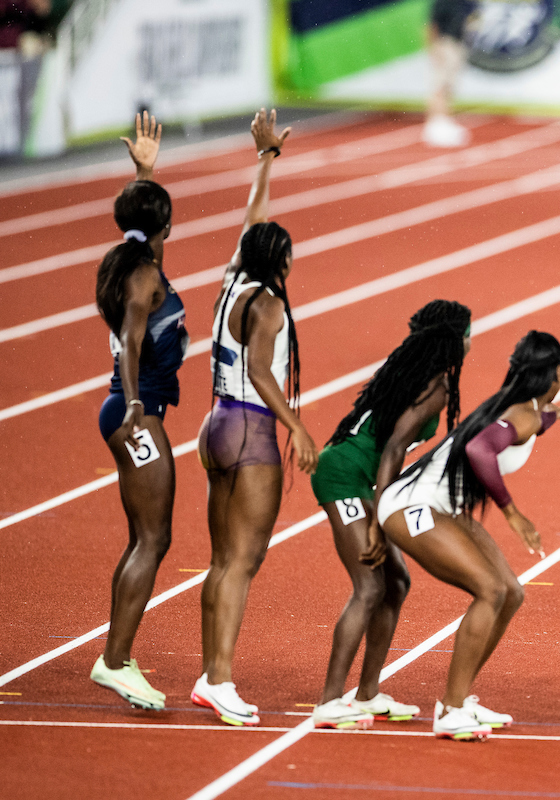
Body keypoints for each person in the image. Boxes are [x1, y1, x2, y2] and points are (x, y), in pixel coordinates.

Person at [376, 331, 560, 740]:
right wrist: (513, 514)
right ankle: (449, 710)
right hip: (411, 507)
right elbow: (481, 450)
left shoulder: (523, 408)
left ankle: (460, 698)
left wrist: (557, 415)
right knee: (490, 590)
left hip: (439, 506)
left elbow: (526, 428)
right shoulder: (521, 414)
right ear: (555, 374)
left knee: (510, 592)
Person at [193, 109, 319, 726]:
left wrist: (265, 162)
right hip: (249, 431)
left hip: (213, 424)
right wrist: (295, 425)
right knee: (242, 562)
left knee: (221, 560)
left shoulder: (230, 282)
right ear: (283, 262)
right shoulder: (268, 303)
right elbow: (266, 373)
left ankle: (210, 673)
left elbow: (252, 224)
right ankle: (220, 678)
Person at [309, 300, 472, 730]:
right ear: (452, 340)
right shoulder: (434, 385)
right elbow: (396, 449)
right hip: (344, 476)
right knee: (368, 585)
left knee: (396, 582)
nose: (471, 341)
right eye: (467, 333)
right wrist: (383, 521)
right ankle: (329, 701)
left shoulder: (414, 368)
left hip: (361, 474)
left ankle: (366, 693)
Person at [90, 113, 184, 710]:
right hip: (134, 414)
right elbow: (128, 340)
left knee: (144, 538)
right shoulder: (144, 274)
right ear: (165, 226)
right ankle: (116, 661)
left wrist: (144, 174)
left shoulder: (126, 259)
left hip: (132, 409)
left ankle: (118, 654)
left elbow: (144, 226)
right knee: (154, 539)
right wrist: (135, 405)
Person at [424, 0, 473, 147]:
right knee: (440, 85)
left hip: (456, 44)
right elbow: (430, 26)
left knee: (449, 86)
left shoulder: (460, 3)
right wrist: (434, 48)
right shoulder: (442, 2)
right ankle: (435, 124)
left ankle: (444, 121)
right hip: (445, 44)